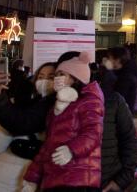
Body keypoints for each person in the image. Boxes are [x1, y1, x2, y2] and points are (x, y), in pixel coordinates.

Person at [22, 52, 105, 191]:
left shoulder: (89, 100)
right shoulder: (56, 107)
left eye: (62, 74)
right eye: (57, 75)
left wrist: (72, 150)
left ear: (75, 78)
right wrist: (32, 178)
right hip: (54, 179)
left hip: (79, 180)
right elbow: (49, 144)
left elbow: (93, 133)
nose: (57, 78)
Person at [0, 62, 56, 192]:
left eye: (51, 77)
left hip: (32, 182)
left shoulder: (60, 113)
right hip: (2, 180)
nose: (44, 82)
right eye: (41, 77)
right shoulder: (19, 107)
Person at [94, 66, 137, 192]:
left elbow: (129, 140)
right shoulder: (56, 105)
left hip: (107, 180)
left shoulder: (113, 100)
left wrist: (122, 179)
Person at [107, 46, 137, 111]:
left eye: (110, 58)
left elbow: (117, 97)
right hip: (123, 113)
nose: (109, 60)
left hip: (121, 114)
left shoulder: (126, 76)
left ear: (117, 59)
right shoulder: (122, 72)